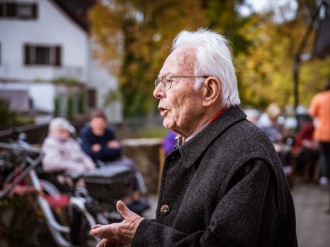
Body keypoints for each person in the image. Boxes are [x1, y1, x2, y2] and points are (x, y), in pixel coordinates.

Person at [89, 28, 297, 246]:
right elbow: (191, 226)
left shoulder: (247, 156)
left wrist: (142, 234)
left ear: (209, 90)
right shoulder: (215, 141)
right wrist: (135, 238)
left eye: (169, 80)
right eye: (158, 81)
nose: (157, 92)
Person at [80, 109, 150, 213]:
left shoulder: (109, 131)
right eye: (96, 123)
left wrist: (100, 148)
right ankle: (125, 201)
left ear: (105, 123)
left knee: (129, 166)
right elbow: (90, 154)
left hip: (114, 160)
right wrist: (108, 148)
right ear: (91, 123)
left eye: (101, 123)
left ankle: (135, 196)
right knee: (122, 170)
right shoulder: (86, 133)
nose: (99, 126)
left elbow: (118, 150)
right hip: (100, 164)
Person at [41, 117, 96, 190]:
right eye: (63, 131)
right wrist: (78, 167)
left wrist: (90, 166)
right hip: (66, 175)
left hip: (82, 171)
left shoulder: (70, 141)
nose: (66, 133)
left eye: (66, 131)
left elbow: (82, 155)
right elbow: (53, 163)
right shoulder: (51, 143)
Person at [309, 80, 330, 185]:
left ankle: (324, 177)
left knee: (324, 155)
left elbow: (312, 112)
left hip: (322, 132)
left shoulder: (319, 97)